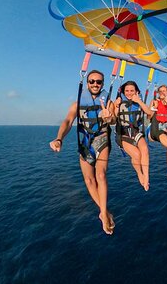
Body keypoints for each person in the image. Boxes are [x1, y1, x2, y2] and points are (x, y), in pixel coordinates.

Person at [49, 70, 116, 235]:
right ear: (87, 83)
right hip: (85, 143)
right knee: (88, 180)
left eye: (98, 82)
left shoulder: (108, 102)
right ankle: (104, 212)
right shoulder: (77, 103)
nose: (95, 84)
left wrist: (108, 117)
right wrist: (59, 139)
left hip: (102, 140)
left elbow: (113, 119)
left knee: (100, 175)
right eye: (92, 81)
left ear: (103, 84)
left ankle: (103, 212)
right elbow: (67, 121)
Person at [114, 81, 153, 191]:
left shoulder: (138, 101)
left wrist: (139, 101)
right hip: (122, 133)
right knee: (136, 155)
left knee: (144, 149)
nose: (129, 93)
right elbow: (112, 119)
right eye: (127, 91)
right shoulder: (118, 101)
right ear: (123, 92)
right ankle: (140, 174)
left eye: (132, 91)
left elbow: (149, 113)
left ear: (136, 92)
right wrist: (116, 105)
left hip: (135, 131)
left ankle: (146, 176)